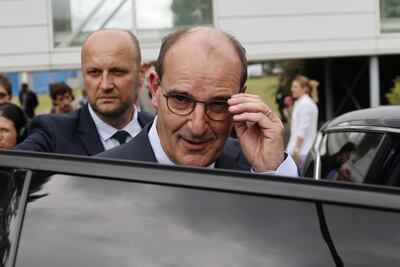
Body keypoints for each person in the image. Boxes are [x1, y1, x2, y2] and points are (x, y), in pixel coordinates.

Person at [97, 26, 298, 176]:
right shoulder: (100, 178)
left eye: (218, 104)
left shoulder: (259, 170)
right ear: (155, 88)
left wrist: (271, 173)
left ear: (240, 98)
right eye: (181, 99)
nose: (197, 126)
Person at [15, 28, 154, 155]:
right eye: (94, 72)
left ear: (141, 73)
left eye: (117, 72)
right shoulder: (53, 134)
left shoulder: (162, 131)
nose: (105, 85)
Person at [286, 75, 319, 174]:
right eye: (292, 86)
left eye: (296, 87)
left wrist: (296, 150)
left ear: (305, 88)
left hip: (302, 152)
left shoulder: (305, 104)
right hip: (301, 151)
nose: (292, 89)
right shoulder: (302, 103)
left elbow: (302, 130)